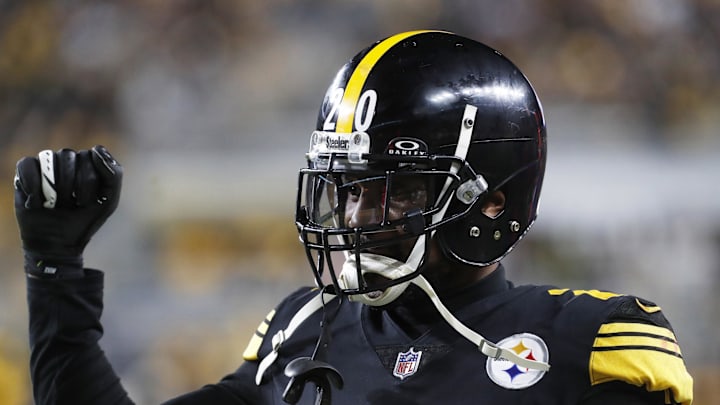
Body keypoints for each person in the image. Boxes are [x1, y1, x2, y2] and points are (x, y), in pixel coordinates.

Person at [14, 30, 693, 405]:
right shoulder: (306, 328)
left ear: (494, 200)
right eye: (348, 187)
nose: (357, 213)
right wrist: (55, 272)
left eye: (394, 189)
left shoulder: (595, 338)